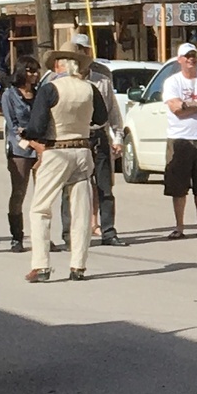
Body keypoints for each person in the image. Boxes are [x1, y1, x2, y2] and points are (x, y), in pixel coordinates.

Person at [21, 42, 107, 283]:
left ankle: (41, 265)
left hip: (57, 149)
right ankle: (78, 265)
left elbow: (37, 126)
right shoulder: (91, 88)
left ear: (60, 64)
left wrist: (27, 135)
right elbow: (101, 118)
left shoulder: (50, 89)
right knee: (81, 210)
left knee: (40, 208)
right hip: (82, 150)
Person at [60, 40, 128, 247]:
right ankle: (69, 234)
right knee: (70, 188)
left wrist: (117, 137)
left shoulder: (102, 82)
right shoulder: (61, 83)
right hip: (72, 138)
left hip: (97, 136)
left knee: (104, 187)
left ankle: (108, 231)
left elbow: (112, 112)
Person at [162, 42, 197, 240]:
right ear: (180, 60)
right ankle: (179, 226)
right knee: (178, 186)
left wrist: (187, 105)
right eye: (187, 56)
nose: (191, 59)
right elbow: (175, 109)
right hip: (179, 139)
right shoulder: (172, 82)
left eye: (193, 55)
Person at [1, 55, 40, 253]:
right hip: (20, 149)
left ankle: (41, 236)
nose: (34, 75)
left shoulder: (40, 93)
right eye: (30, 71)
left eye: (36, 71)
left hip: (41, 147)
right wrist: (29, 143)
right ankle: (16, 236)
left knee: (42, 195)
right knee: (19, 192)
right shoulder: (9, 95)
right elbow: (12, 126)